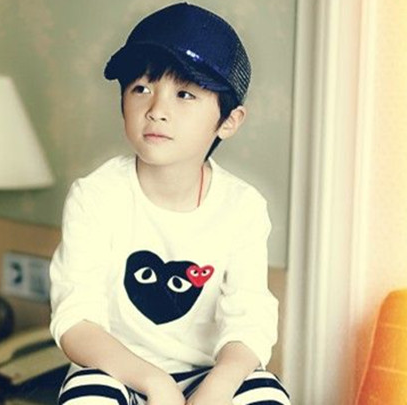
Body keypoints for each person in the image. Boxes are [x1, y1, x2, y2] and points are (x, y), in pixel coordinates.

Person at [49, 3, 291, 404]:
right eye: (141, 89)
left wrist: (216, 389)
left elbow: (250, 322)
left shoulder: (242, 207)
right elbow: (75, 319)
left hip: (207, 375)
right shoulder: (96, 196)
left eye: (184, 94)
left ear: (229, 121)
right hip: (117, 371)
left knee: (265, 394)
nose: (157, 111)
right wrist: (155, 383)